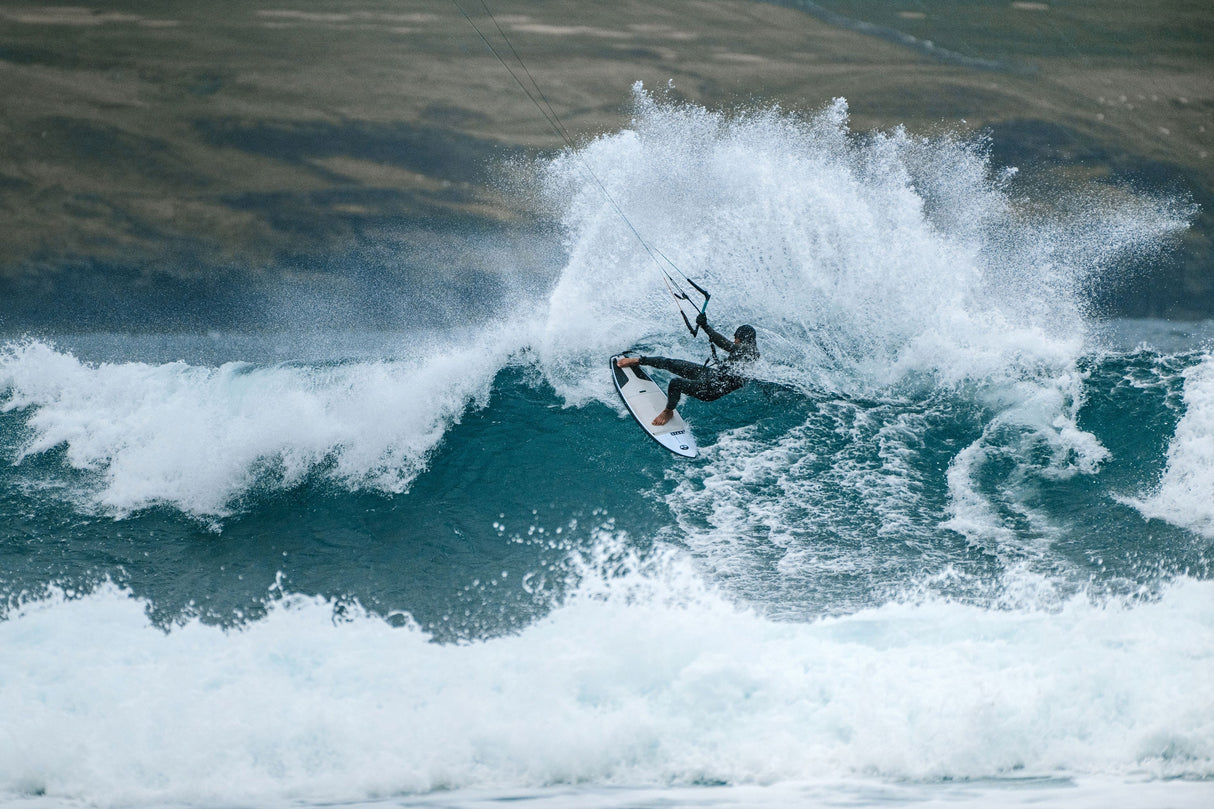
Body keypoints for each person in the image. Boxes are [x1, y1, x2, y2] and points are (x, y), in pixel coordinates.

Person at [616, 312, 759, 426]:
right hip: (712, 375)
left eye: (736, 338)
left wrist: (705, 326)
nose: (734, 340)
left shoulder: (749, 352)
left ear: (741, 339)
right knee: (671, 363)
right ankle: (638, 360)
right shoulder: (744, 351)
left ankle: (668, 411)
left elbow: (727, 345)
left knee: (676, 383)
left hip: (710, 389)